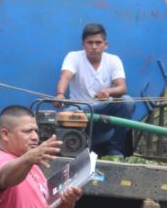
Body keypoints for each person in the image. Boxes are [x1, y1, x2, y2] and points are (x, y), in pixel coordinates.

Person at [55, 23, 135, 160]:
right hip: (81, 112)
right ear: (83, 44)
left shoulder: (113, 60)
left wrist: (108, 92)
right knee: (63, 114)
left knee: (127, 102)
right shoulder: (73, 57)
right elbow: (65, 77)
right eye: (90, 43)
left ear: (106, 44)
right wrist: (60, 94)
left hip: (104, 113)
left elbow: (122, 88)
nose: (94, 47)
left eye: (98, 42)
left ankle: (114, 149)